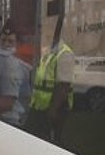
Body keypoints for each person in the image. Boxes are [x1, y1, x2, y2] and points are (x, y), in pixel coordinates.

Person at [25, 14, 74, 145]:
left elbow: (63, 87)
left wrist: (53, 110)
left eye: (46, 28)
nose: (43, 32)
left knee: (50, 144)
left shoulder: (65, 54)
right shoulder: (49, 51)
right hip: (39, 107)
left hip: (53, 109)